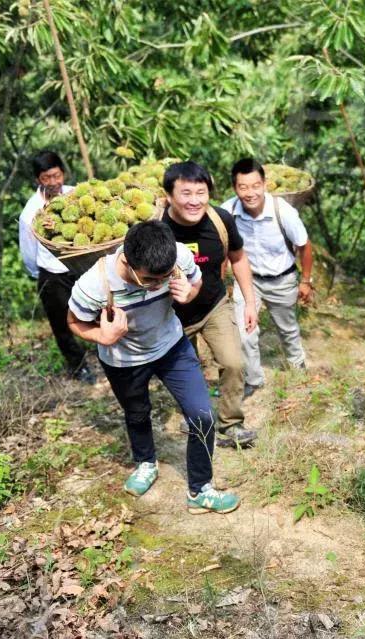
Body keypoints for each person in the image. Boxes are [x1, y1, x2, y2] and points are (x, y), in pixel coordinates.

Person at [67, 220, 240, 513]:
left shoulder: (179, 256)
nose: (158, 284)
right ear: (127, 260)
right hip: (124, 360)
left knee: (202, 415)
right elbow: (74, 321)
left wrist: (190, 293)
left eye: (165, 277)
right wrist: (102, 336)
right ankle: (146, 462)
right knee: (137, 413)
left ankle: (200, 490)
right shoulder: (94, 284)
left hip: (172, 346)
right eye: (150, 280)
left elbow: (195, 283)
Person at [161, 161, 259, 449]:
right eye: (186, 193)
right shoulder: (158, 229)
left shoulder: (221, 220)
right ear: (169, 196)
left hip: (214, 304)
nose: (195, 201)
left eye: (201, 192)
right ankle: (194, 417)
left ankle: (231, 424)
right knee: (186, 371)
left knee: (233, 362)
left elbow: (239, 258)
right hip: (172, 315)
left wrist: (249, 303)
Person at [222, 158, 313, 395]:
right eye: (243, 187)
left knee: (287, 328)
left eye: (255, 186)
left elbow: (304, 245)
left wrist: (305, 281)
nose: (250, 193)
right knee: (244, 331)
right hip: (248, 280)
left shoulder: (283, 212)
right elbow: (222, 247)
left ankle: (297, 365)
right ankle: (253, 379)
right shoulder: (228, 211)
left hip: (281, 279)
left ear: (265, 184)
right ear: (235, 188)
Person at [17, 151, 93, 383]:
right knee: (61, 324)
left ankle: (110, 352)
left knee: (97, 311)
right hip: (53, 274)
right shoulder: (31, 212)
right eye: (46, 177)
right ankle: (78, 366)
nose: (53, 182)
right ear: (38, 180)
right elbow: (28, 251)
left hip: (82, 267)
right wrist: (38, 274)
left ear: (63, 172)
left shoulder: (76, 195)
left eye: (56, 175)